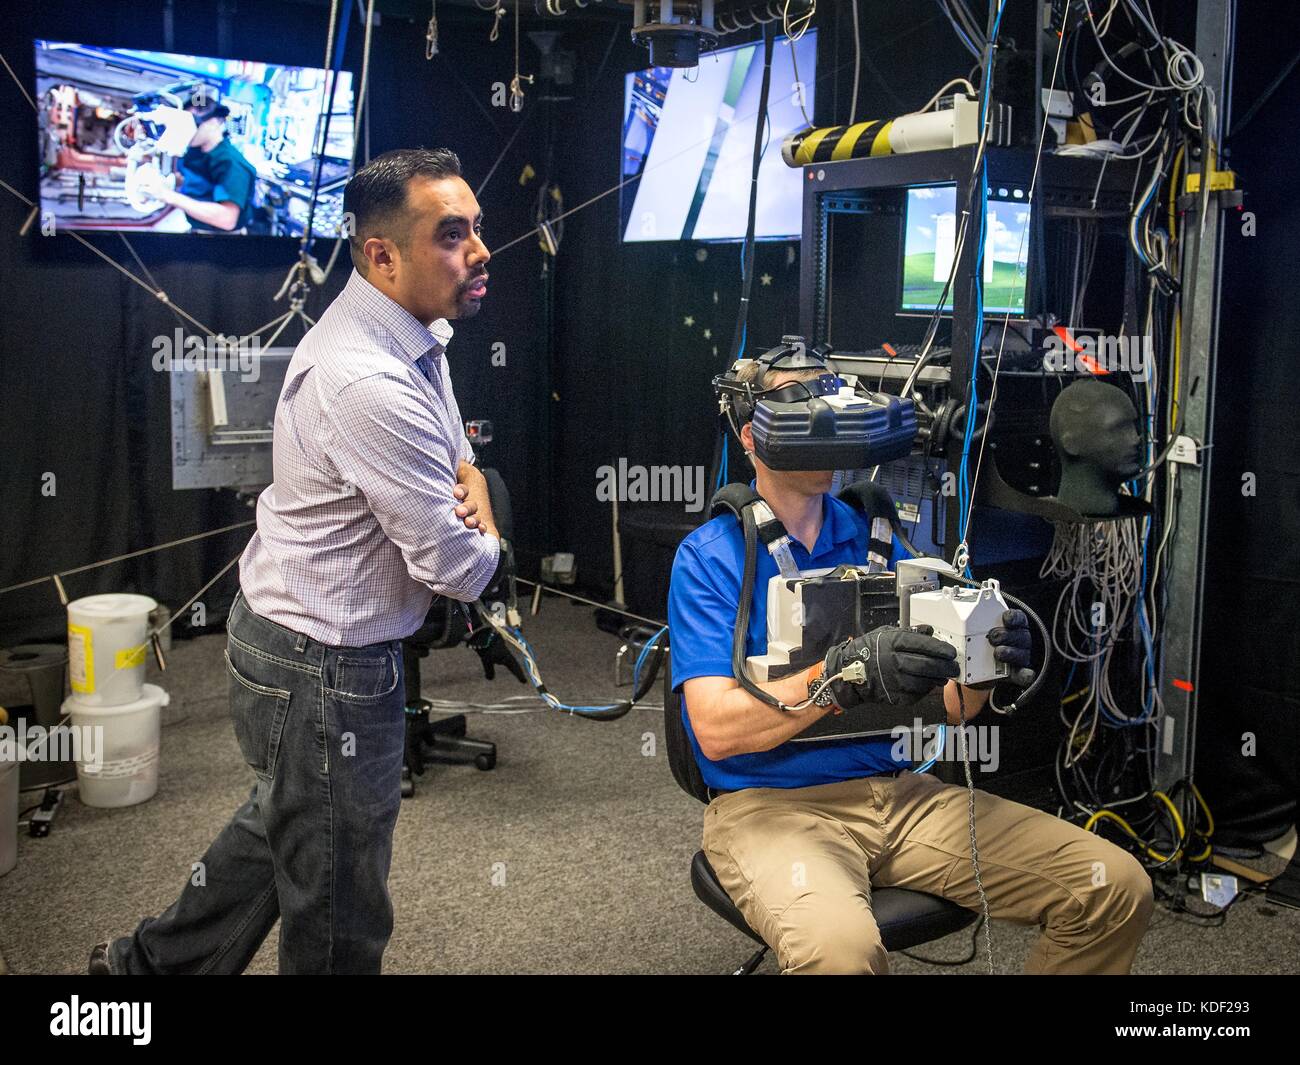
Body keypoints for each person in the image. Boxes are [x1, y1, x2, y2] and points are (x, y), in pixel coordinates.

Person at [92, 147, 498, 974]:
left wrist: (473, 478)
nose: (480, 251)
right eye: (452, 234)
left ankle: (142, 970)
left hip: (294, 640)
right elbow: (457, 568)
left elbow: (455, 449)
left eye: (478, 228)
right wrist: (490, 523)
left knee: (290, 822)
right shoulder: (366, 380)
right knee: (342, 906)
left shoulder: (416, 329)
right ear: (382, 254)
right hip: (326, 664)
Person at [667, 360, 1154, 975]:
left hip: (901, 797)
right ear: (751, 435)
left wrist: (987, 660)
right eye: (802, 406)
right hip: (769, 808)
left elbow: (953, 708)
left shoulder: (879, 538)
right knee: (840, 954)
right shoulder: (711, 558)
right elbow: (716, 731)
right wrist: (841, 676)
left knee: (1112, 886)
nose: (825, 420)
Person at [148, 90, 256, 232]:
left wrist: (168, 196)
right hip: (195, 226)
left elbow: (227, 219)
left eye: (193, 124)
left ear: (214, 122)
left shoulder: (230, 162)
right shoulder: (194, 150)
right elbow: (195, 180)